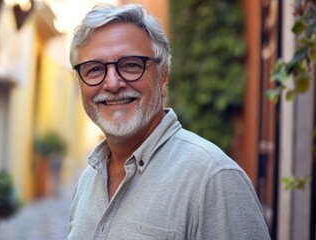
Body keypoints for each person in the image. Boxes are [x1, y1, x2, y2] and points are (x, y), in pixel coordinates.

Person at [67, 3, 271, 240]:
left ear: (163, 78)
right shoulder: (88, 181)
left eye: (131, 65)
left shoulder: (213, 179)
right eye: (94, 69)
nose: (112, 84)